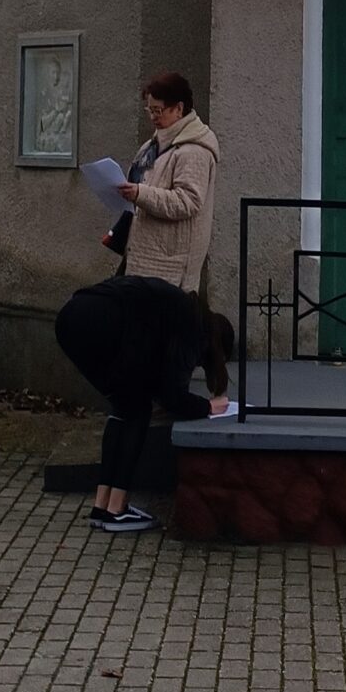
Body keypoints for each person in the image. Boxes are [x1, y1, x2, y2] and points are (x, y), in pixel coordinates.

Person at [55, 72, 229, 533]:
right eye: (148, 109)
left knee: (137, 392)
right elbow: (138, 202)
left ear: (180, 107)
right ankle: (112, 506)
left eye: (158, 109)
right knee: (132, 396)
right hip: (141, 268)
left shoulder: (195, 150)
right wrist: (120, 225)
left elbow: (187, 203)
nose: (152, 116)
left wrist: (140, 194)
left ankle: (112, 504)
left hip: (167, 270)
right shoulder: (154, 147)